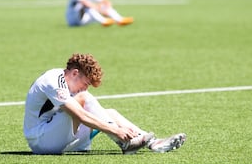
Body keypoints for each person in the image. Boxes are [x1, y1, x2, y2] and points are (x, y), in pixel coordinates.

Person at [23, 53, 186, 155]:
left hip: (57, 137)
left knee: (110, 113)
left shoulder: (66, 82)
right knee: (83, 98)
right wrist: (115, 129)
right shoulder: (53, 81)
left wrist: (112, 124)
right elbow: (79, 115)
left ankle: (153, 143)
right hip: (41, 140)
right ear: (74, 73)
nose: (84, 88)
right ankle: (125, 142)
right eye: (85, 83)